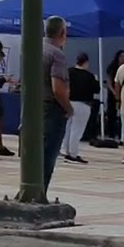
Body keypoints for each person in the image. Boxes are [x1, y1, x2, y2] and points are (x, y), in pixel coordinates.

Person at [42, 16, 73, 193]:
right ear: (62, 32)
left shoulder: (33, 49)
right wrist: (69, 108)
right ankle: (40, 193)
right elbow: (58, 89)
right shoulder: (57, 54)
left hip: (32, 108)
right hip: (51, 109)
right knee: (48, 154)